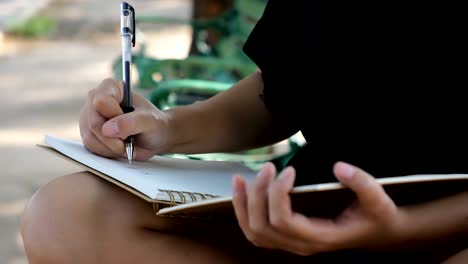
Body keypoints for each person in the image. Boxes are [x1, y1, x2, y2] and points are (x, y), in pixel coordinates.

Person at [20, 1, 468, 263]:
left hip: (449, 233)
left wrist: (405, 229)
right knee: (63, 214)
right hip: (306, 208)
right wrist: (167, 127)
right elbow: (284, 90)